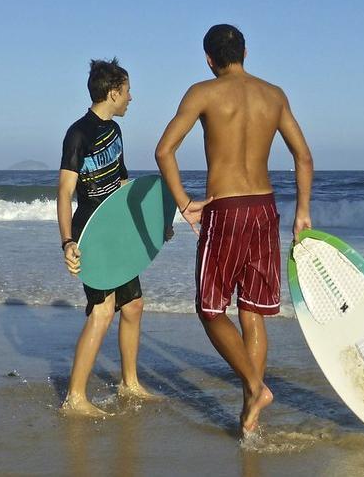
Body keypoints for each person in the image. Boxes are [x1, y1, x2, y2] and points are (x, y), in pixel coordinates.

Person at [155, 24, 314, 435]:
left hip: (226, 211)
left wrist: (185, 204)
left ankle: (256, 388)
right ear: (245, 51)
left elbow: (164, 149)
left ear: (209, 59)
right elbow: (304, 157)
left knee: (210, 309)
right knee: (252, 312)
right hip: (264, 209)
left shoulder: (203, 92)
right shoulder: (274, 95)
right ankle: (250, 416)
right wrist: (302, 212)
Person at [57, 58, 153, 417]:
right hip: (91, 231)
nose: (131, 98)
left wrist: (151, 223)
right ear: (113, 92)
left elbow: (124, 185)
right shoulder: (78, 133)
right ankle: (75, 398)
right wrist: (67, 242)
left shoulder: (115, 131)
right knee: (102, 311)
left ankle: (129, 382)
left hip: (117, 230)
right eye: (127, 91)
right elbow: (65, 191)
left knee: (133, 306)